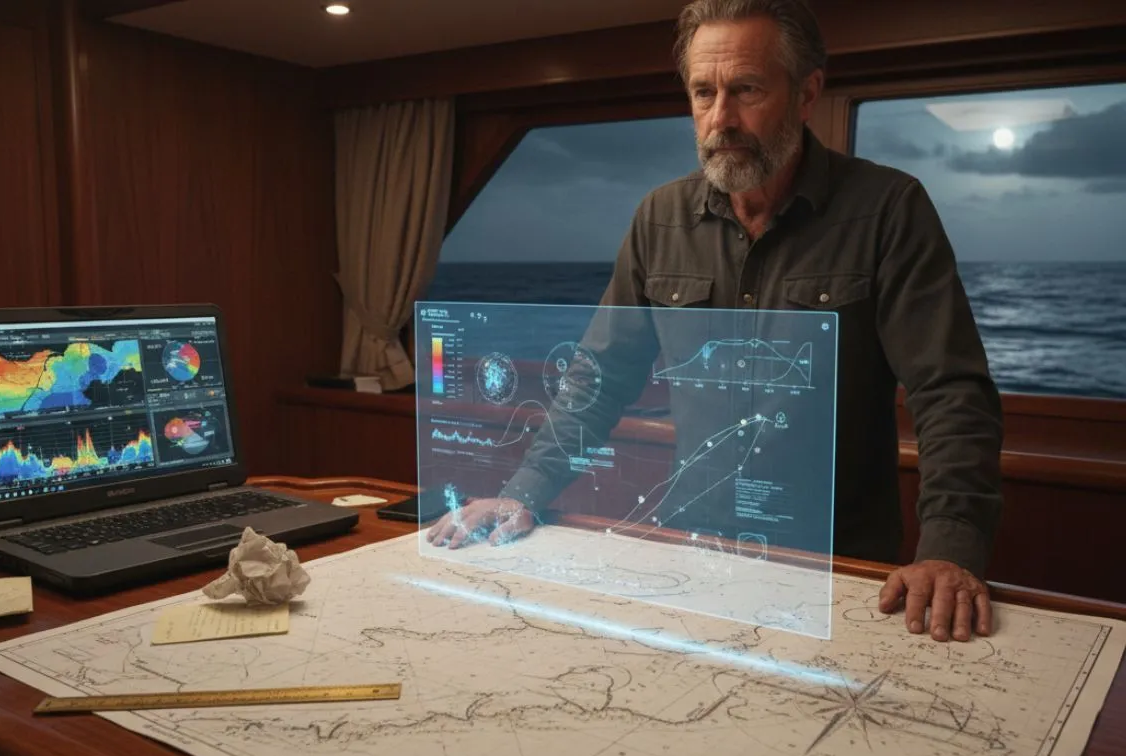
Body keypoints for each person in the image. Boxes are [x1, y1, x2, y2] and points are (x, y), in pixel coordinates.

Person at [427, 0, 1003, 644]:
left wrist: (948, 549)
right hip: (690, 555)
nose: (721, 118)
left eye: (747, 90)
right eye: (704, 92)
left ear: (806, 92)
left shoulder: (889, 209)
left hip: (843, 568)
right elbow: (597, 379)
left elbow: (950, 392)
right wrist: (524, 490)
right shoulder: (659, 218)